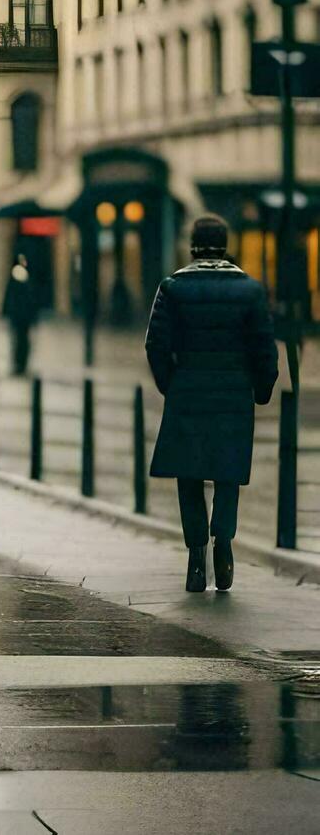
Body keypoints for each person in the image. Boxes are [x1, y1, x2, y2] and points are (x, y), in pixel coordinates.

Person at [145, 215, 277, 593]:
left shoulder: (172, 287)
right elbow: (263, 349)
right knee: (227, 472)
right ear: (225, 244)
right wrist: (261, 389)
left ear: (192, 245)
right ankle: (224, 542)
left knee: (189, 474)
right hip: (233, 394)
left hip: (188, 392)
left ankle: (195, 556)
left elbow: (155, 345)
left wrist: (171, 384)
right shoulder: (249, 291)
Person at [2, 255, 39, 376]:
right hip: (21, 315)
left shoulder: (19, 275)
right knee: (20, 341)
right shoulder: (20, 275)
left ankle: (20, 364)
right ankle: (20, 364)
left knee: (21, 341)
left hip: (21, 316)